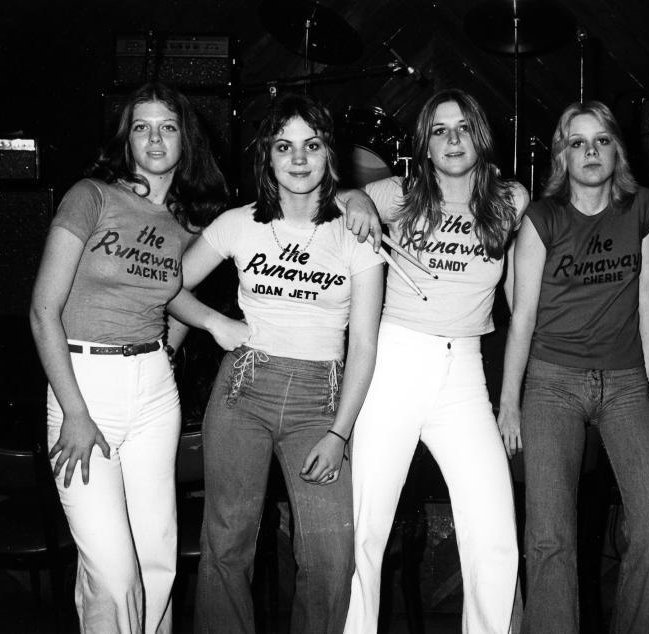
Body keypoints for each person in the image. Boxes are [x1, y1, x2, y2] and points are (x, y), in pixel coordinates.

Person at [167, 93, 384, 634]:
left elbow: (364, 345)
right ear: (267, 156)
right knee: (228, 545)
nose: (299, 158)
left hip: (321, 401)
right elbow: (166, 284)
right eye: (284, 146)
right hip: (244, 388)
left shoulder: (355, 232)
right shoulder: (239, 223)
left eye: (312, 145)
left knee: (332, 558)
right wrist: (215, 324)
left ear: (329, 154)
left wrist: (339, 432)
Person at [29, 82, 228, 632]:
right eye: (142, 126)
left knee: (157, 558)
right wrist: (73, 411)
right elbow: (43, 311)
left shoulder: (185, 222)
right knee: (113, 572)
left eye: (167, 125)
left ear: (184, 138)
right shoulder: (90, 196)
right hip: (83, 384)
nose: (155, 137)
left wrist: (196, 333)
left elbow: (168, 294)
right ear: (127, 139)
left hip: (152, 387)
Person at [344, 89, 529, 634]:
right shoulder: (396, 192)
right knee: (366, 528)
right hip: (396, 365)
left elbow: (521, 296)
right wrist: (353, 201)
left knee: (494, 532)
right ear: (423, 144)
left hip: (465, 374)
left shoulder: (511, 199)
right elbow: (333, 196)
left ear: (480, 135)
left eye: (463, 128)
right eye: (439, 130)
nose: (452, 140)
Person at [497, 101, 649, 633]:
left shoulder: (642, 208)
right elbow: (522, 315)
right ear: (563, 155)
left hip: (624, 383)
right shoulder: (543, 218)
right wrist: (509, 402)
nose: (591, 152)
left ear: (616, 147)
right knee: (550, 538)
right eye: (578, 143)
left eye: (600, 140)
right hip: (552, 382)